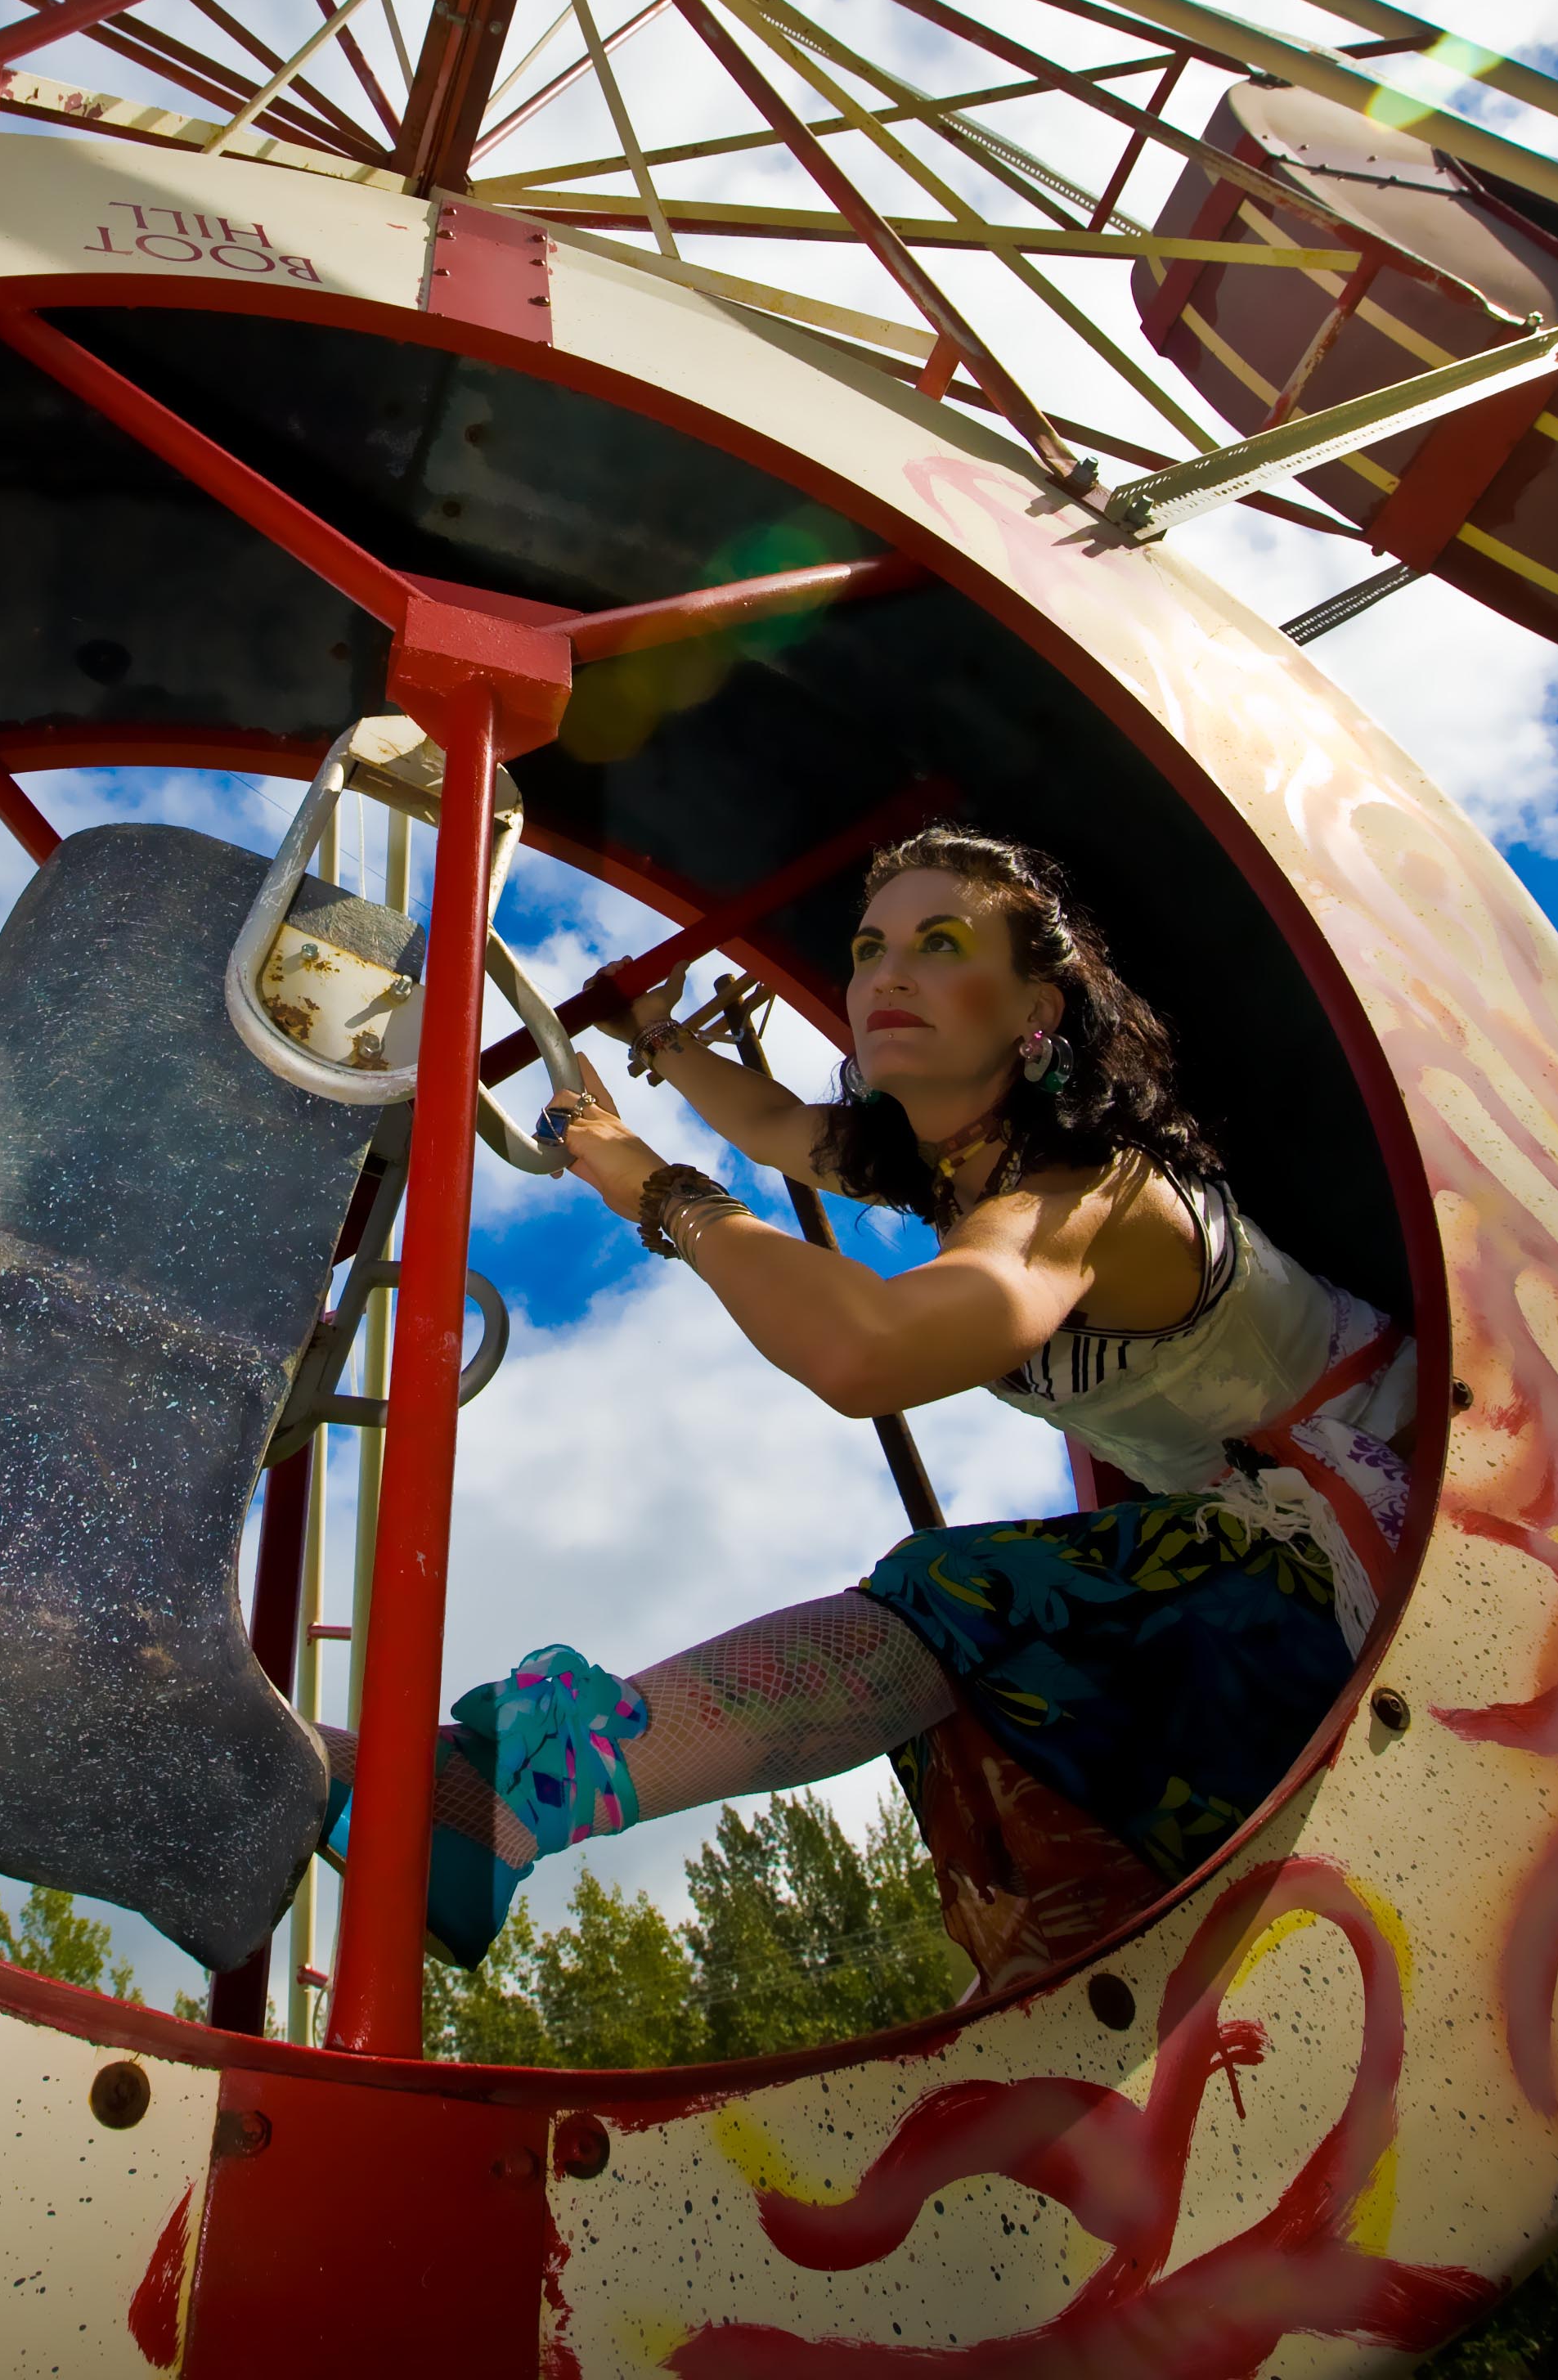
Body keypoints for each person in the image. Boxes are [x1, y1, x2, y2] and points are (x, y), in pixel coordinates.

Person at [317, 826, 1414, 1971]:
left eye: (941, 944)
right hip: (1251, 1550)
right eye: (868, 947)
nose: (887, 974)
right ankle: (495, 1798)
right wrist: (658, 1038)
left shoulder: (1092, 1196)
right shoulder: (950, 1170)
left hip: (1388, 1536)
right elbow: (779, 1129)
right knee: (978, 1672)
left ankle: (508, 1794)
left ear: (1038, 1008)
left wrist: (652, 1184)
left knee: (965, 1595)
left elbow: (864, 1350)